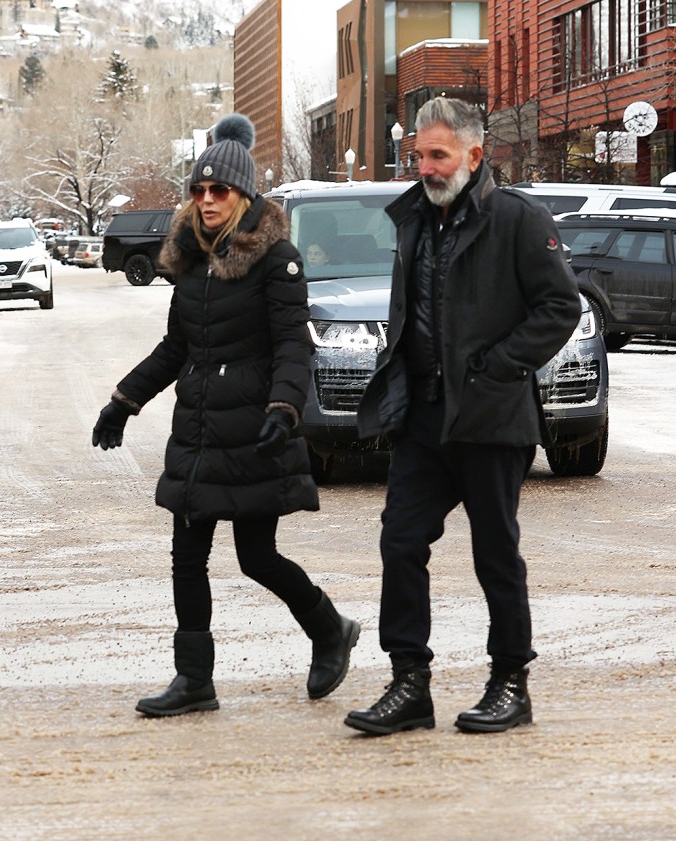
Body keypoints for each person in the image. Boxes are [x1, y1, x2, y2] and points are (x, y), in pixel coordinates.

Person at [92, 113, 360, 718]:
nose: (207, 201)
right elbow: (176, 347)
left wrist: (285, 408)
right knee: (186, 556)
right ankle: (195, 681)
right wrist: (124, 401)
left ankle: (329, 630)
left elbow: (295, 344)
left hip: (253, 430)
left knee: (255, 556)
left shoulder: (276, 259)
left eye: (220, 191)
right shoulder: (187, 258)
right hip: (199, 429)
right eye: (199, 191)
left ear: (243, 196)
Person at [344, 97, 581, 736]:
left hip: (489, 416)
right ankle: (409, 684)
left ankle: (511, 683)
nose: (424, 166)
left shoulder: (519, 221)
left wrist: (496, 368)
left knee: (494, 553)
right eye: (418, 154)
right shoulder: (412, 221)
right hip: (424, 416)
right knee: (401, 540)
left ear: (475, 156)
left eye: (437, 154)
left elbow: (560, 307)